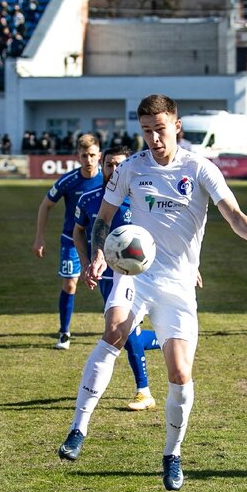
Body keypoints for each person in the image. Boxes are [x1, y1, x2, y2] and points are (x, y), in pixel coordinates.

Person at [57, 94, 247, 491]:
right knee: (113, 332)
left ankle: (172, 455)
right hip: (135, 274)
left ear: (176, 126)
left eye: (159, 130)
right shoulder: (131, 168)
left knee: (180, 372)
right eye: (146, 131)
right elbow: (103, 219)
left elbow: (232, 214)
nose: (153, 139)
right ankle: (78, 429)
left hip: (178, 284)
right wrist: (96, 256)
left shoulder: (199, 169)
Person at [72, 145, 162, 411]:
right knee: (121, 332)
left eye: (119, 165)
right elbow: (79, 232)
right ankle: (162, 339)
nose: (114, 170)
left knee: (125, 328)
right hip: (106, 275)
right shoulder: (89, 199)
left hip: (141, 274)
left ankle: (143, 391)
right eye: (109, 165)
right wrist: (88, 263)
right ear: (102, 166)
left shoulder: (142, 198)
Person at [33, 134, 102, 349]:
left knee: (111, 284)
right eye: (84, 156)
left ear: (99, 155)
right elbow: (46, 205)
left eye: (92, 155)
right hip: (71, 240)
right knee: (70, 283)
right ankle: (64, 332)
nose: (88, 160)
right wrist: (39, 238)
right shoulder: (69, 180)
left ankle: (121, 328)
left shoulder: (110, 178)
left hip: (102, 241)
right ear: (77, 156)